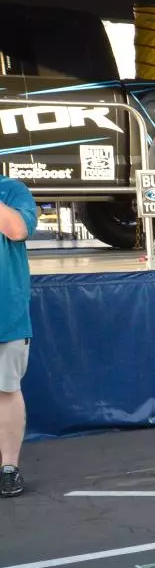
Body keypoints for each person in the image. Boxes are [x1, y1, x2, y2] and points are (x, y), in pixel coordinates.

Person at [0, 172, 37, 498]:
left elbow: (17, 229)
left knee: (6, 391)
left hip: (6, 313)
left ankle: (8, 468)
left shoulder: (12, 190)